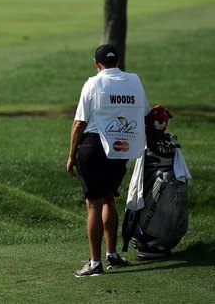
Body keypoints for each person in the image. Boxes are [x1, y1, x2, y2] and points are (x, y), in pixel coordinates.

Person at [66, 44, 150, 277]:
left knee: (93, 204)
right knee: (109, 199)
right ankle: (112, 255)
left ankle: (94, 263)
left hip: (93, 146)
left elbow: (79, 123)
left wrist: (72, 155)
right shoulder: (134, 80)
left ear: (96, 63)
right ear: (119, 60)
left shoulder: (93, 83)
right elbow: (145, 114)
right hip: (120, 147)